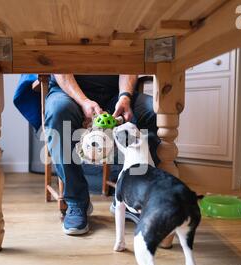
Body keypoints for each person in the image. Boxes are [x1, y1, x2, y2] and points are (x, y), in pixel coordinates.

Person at [44, 75, 159, 235]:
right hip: (68, 93)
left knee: (154, 113)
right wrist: (83, 101)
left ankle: (129, 199)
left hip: (115, 94)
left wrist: (125, 96)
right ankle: (77, 200)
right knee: (58, 112)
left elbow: (127, 62)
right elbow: (59, 68)